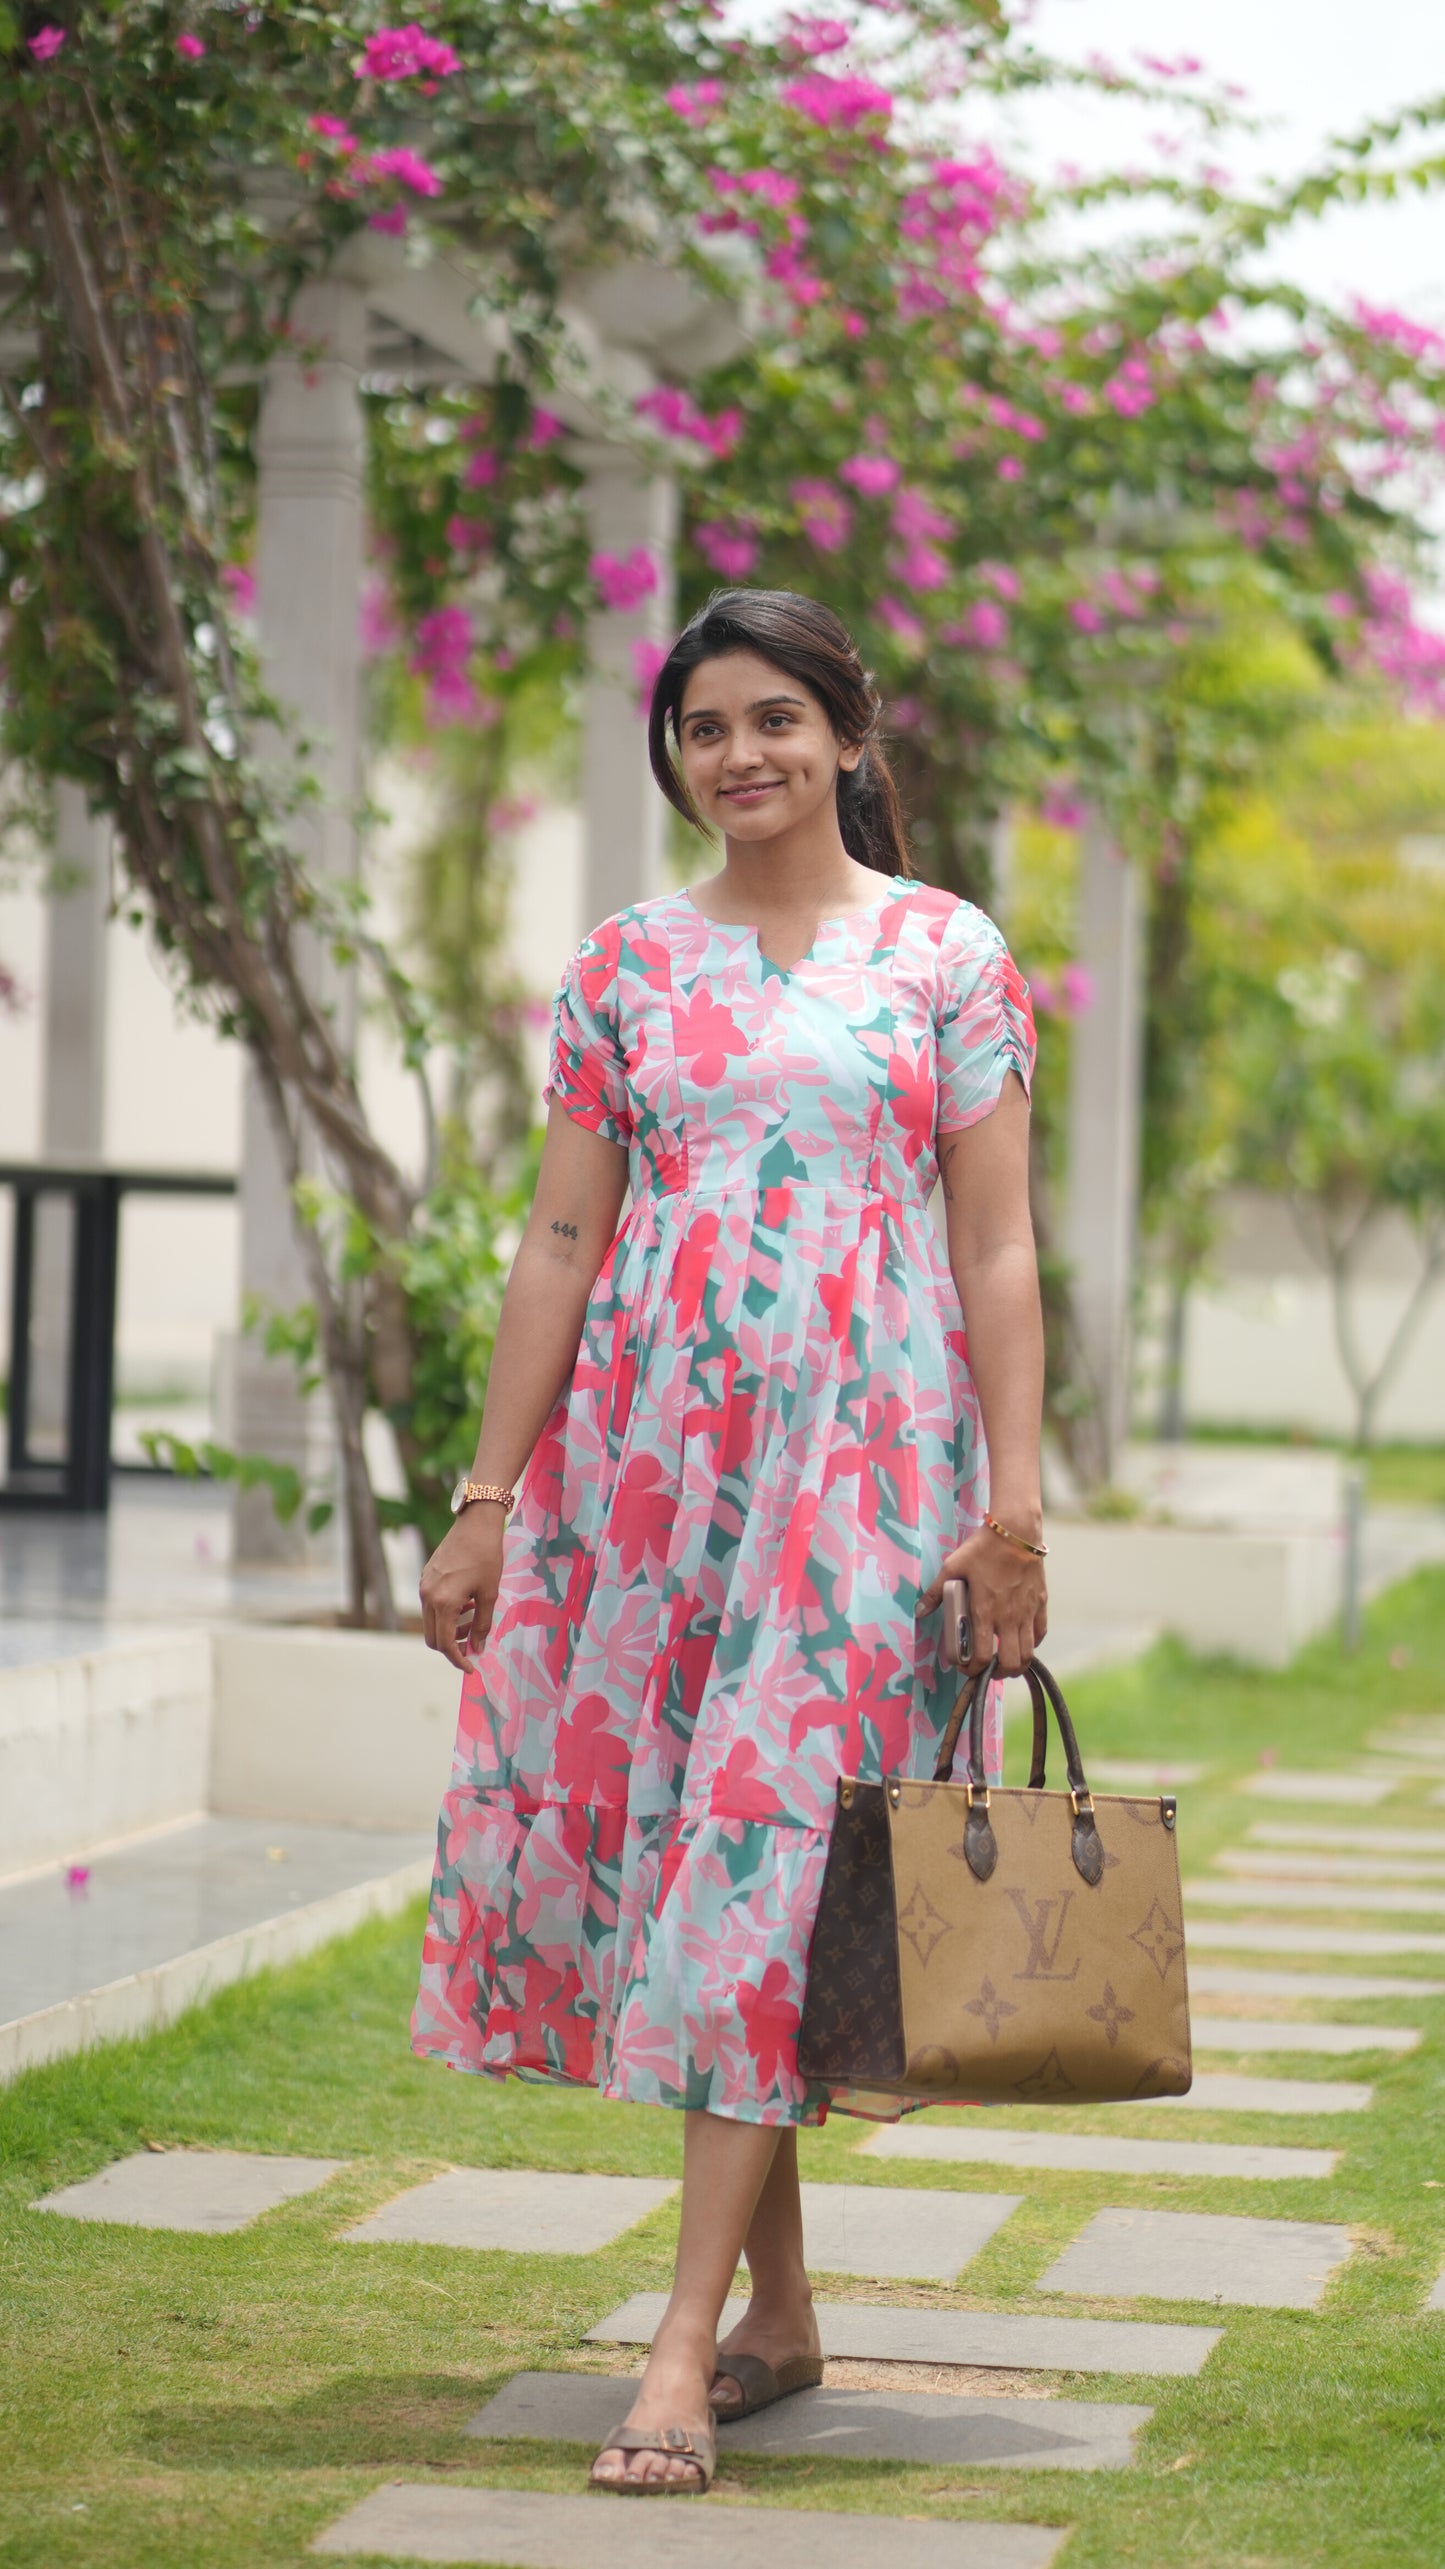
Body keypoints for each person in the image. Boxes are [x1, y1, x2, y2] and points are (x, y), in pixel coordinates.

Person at [413, 587, 1048, 2495]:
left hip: (866, 1478)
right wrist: (485, 1496)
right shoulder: (622, 966)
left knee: (773, 1862)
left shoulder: (943, 953)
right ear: (675, 754)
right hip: (652, 1478)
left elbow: (998, 1244)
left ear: (849, 737)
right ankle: (776, 2311)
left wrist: (1013, 1511)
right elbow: (557, 1239)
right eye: (705, 727)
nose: (741, 754)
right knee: (702, 1872)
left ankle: (680, 2347)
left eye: (777, 717)